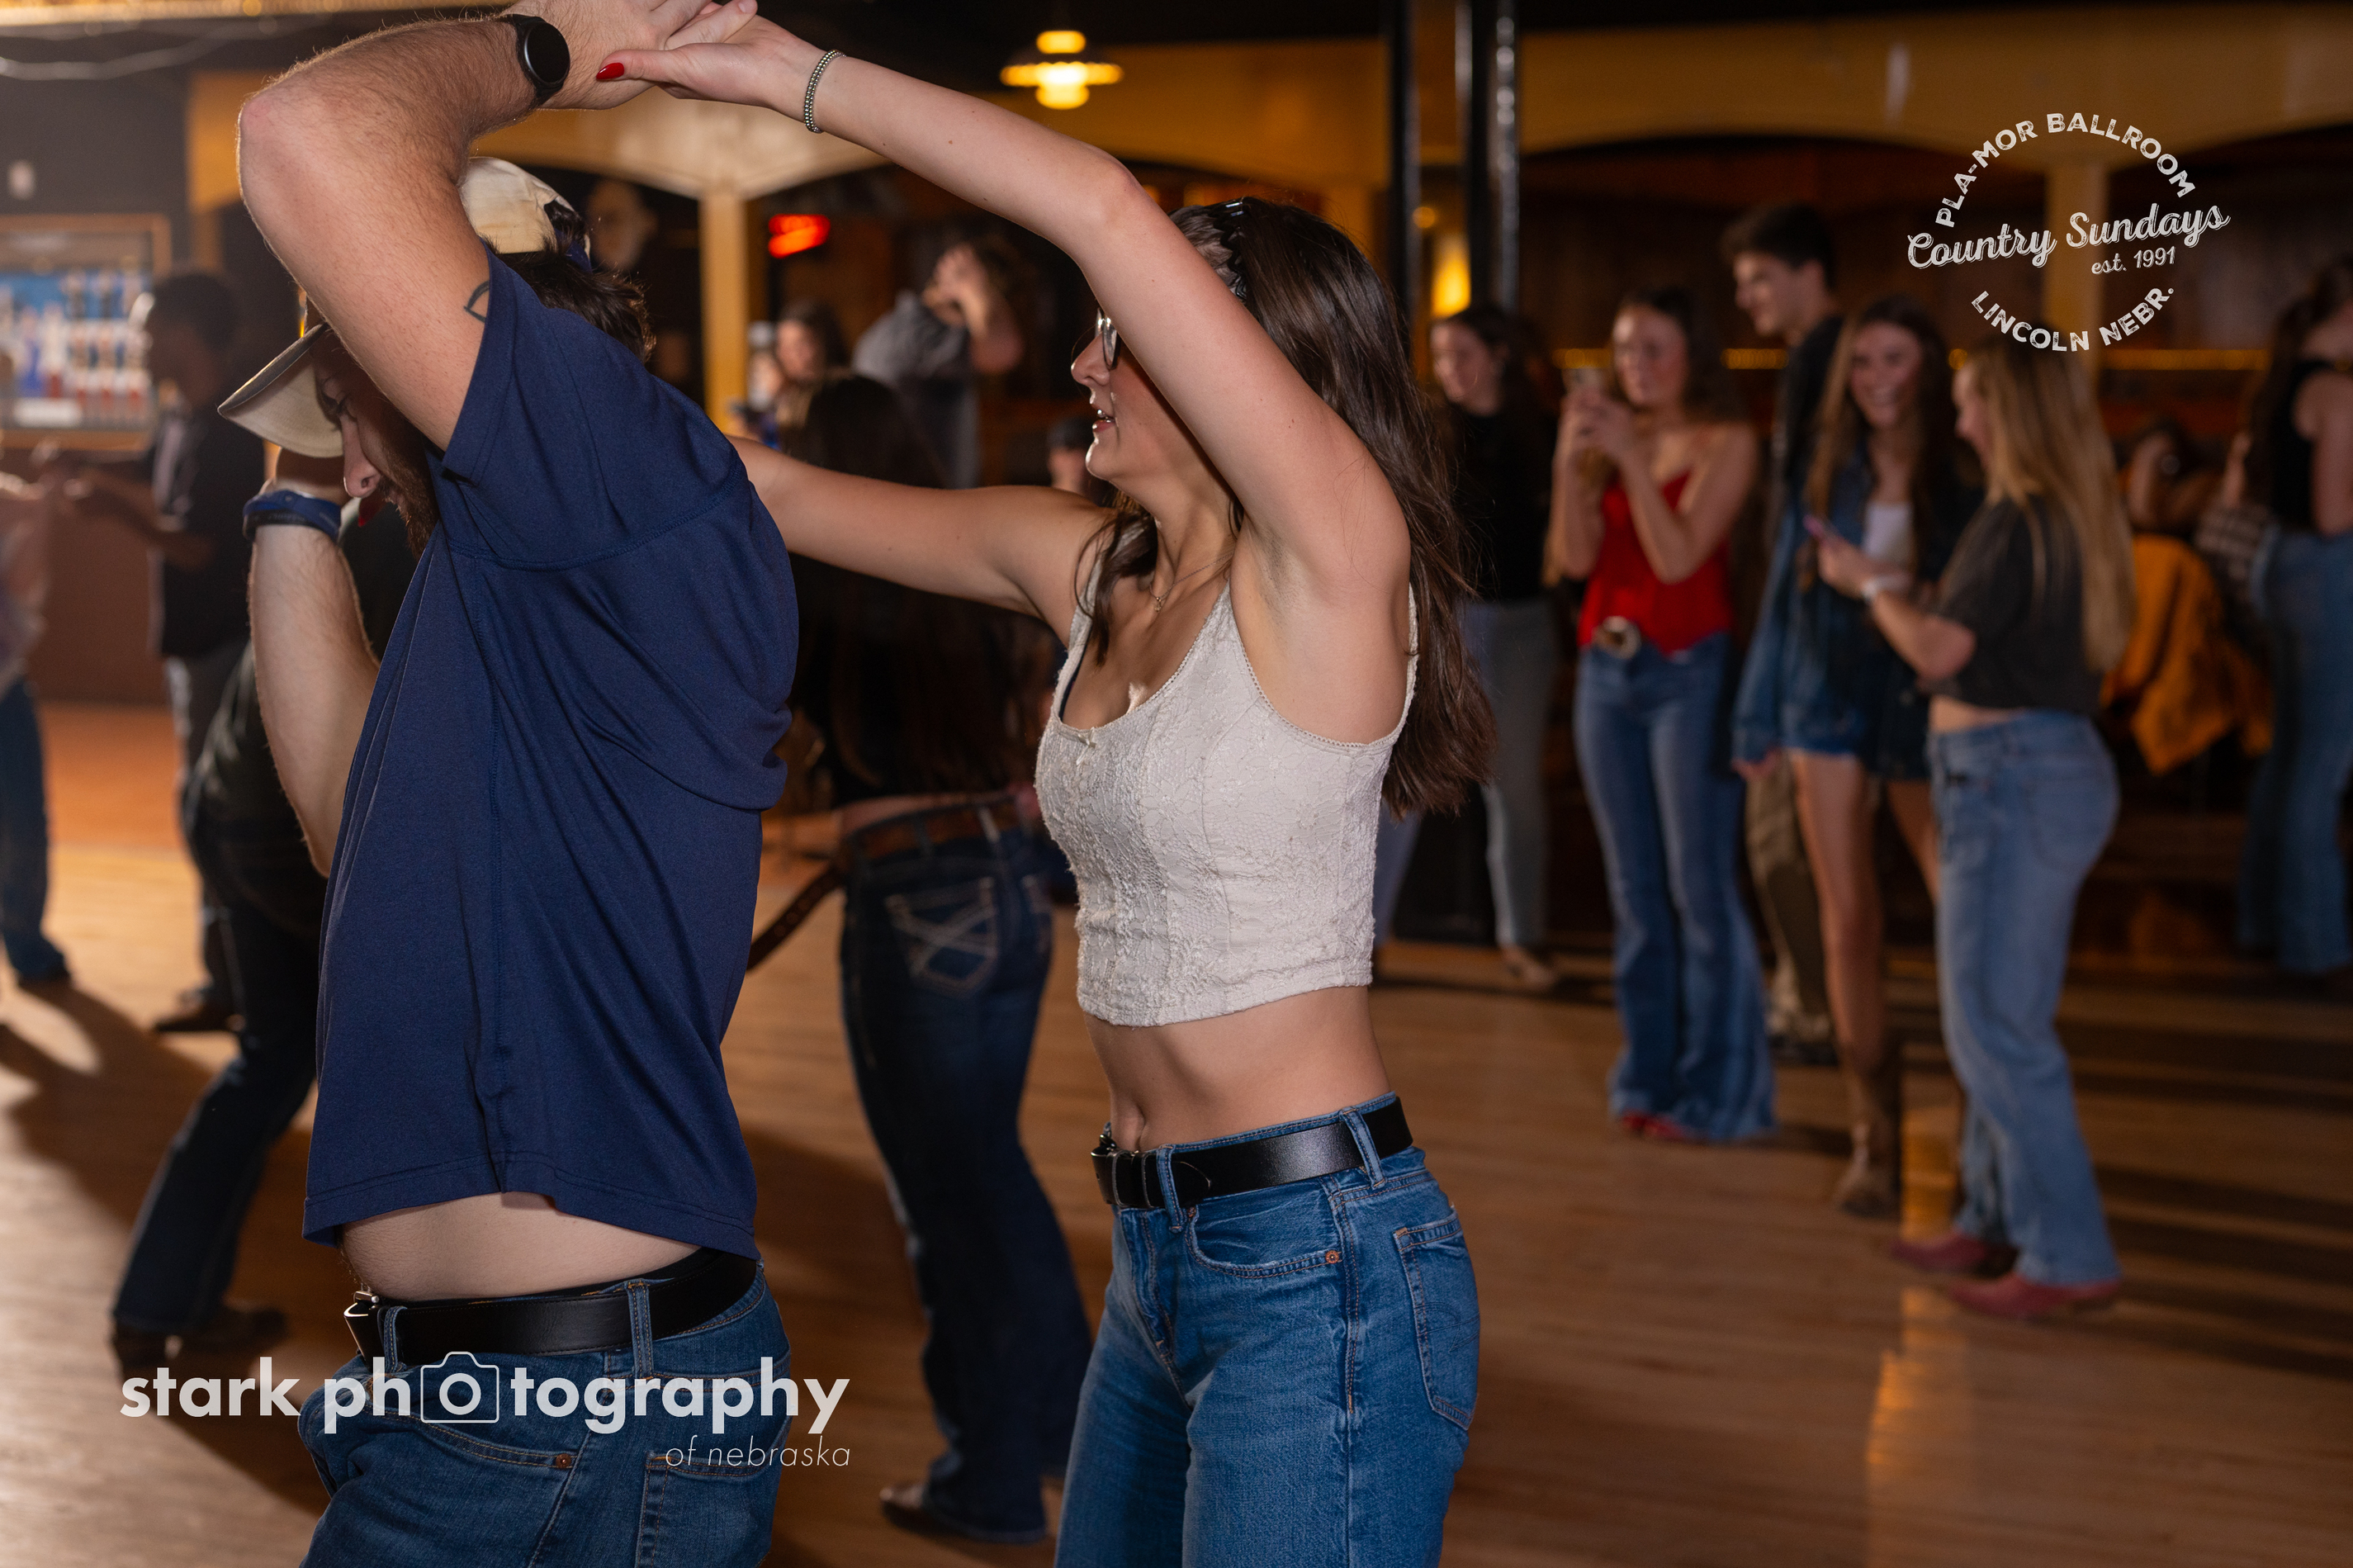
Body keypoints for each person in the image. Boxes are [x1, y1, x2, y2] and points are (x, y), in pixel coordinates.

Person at [606, 15, 1496, 1563]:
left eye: (1119, 334)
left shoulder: (1337, 559)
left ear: (1246, 367)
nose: (1086, 360)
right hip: (1154, 1253)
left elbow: (1095, 202)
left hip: (1320, 1266)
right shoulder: (1090, 572)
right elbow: (777, 487)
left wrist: (782, 74)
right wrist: (487, 361)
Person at [231, 4, 799, 1556]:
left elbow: (306, 132)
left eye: (341, 388)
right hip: (492, 1405)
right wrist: (297, 497)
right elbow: (348, 820)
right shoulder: (507, 584)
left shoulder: (617, 476)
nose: (344, 441)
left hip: (576, 1416)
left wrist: (549, 44)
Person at [786, 374, 1089, 1545]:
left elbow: (760, 738)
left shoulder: (816, 573)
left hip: (917, 898)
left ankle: (992, 1479)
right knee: (989, 1176)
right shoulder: (963, 553)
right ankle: (1060, 1430)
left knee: (950, 1202)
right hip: (1006, 879)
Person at [1812, 330, 2134, 1320]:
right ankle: (1993, 1216)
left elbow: (1941, 653)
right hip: (2023, 773)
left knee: (1998, 1026)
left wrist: (1868, 586)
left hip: (2011, 777)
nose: (1958, 417)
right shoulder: (2060, 517)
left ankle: (2067, 1254)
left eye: (1970, 399)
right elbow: (1973, 636)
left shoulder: (2018, 519)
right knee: (1989, 1016)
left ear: (2010, 412)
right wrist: (1893, 585)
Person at [110, 496, 415, 1370]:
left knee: (271, 1063)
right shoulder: (423, 538)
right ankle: (438, 1367)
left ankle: (159, 1303)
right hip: (290, 835)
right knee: (413, 1074)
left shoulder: (363, 522)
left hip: (230, 807)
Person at [1731, 295, 1976, 1216]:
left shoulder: (1963, 469)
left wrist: (1882, 583)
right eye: (1863, 363)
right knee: (1847, 923)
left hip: (1925, 700)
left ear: (1929, 369)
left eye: (1896, 360)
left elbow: (1970, 598)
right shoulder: (1825, 464)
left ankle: (1982, 1138)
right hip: (1822, 695)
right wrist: (1756, 717)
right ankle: (1874, 1136)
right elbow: (1785, 596)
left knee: (1964, 917)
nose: (1878, 380)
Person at [1549, 286, 1773, 1144]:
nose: (1636, 366)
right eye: (1624, 349)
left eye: (1654, 349)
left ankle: (1718, 1092)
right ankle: (1646, 1076)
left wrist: (1634, 465)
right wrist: (1571, 463)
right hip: (1607, 673)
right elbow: (1574, 559)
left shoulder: (1729, 441)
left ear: (1692, 354)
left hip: (1688, 673)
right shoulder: (1613, 437)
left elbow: (1678, 559)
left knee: (1698, 888)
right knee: (1635, 893)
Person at [50, 271, 260, 1034]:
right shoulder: (184, 416)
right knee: (205, 808)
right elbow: (148, 466)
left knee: (214, 814)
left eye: (146, 329)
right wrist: (83, 461)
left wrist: (114, 512)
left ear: (183, 334)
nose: (137, 344)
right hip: (195, 651)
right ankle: (231, 978)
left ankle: (239, 984)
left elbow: (200, 548)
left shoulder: (230, 430)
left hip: (219, 651)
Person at [1374, 304, 1560, 988]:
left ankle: (1524, 937)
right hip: (1448, 622)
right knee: (1412, 777)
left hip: (1525, 622)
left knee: (1516, 786)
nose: (1450, 369)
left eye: (1463, 353)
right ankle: (1365, 938)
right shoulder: (1428, 431)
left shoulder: (1544, 430)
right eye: (1442, 355)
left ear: (1500, 355)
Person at [1725, 202, 1843, 1066]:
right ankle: (1814, 998)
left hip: (1812, 625)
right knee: (1793, 841)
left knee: (1784, 840)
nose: (1748, 298)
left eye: (1761, 278)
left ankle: (1817, 1008)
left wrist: (1767, 666)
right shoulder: (1818, 356)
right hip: (1811, 619)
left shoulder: (1826, 359)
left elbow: (1809, 519)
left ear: (1810, 273)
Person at [2235, 255, 2353, 988]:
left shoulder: (2279, 381)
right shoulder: (2337, 392)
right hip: (2325, 570)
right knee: (2323, 762)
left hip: (2278, 562)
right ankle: (2313, 940)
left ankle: (2263, 919)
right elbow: (2336, 513)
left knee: (2288, 754)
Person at [854, 234, 1024, 487]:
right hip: (920, 497)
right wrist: (973, 287)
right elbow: (1004, 350)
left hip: (895, 492)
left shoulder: (898, 326)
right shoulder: (923, 336)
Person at [0, 469, 67, 988]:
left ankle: (27, 945)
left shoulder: (9, 500)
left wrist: (44, 504)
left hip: (5, 692)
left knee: (23, 826)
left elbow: (25, 589)